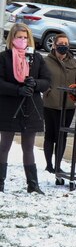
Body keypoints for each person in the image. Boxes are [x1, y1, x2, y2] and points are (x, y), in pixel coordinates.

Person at [0, 22, 51, 193]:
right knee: (5, 145)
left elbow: (47, 81)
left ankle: (33, 184)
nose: (22, 40)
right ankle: (0, 182)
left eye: (25, 37)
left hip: (31, 106)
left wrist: (35, 83)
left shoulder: (36, 58)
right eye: (19, 37)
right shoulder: (4, 57)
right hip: (9, 107)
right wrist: (17, 89)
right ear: (12, 38)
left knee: (28, 146)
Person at [41, 32, 76, 182]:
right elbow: (40, 79)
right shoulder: (45, 61)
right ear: (54, 45)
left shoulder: (75, 63)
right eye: (60, 43)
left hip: (68, 106)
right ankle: (49, 164)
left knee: (62, 135)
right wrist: (46, 90)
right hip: (50, 103)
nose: (63, 46)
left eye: (66, 44)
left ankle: (58, 164)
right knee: (50, 134)